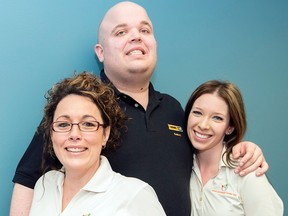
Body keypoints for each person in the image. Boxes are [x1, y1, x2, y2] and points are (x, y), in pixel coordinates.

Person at [10, 2, 269, 216]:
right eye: (121, 32)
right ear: (100, 52)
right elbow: (28, 178)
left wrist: (239, 147)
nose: (136, 36)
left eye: (144, 30)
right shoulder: (83, 110)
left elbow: (204, 157)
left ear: (154, 43)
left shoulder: (174, 109)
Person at [28, 72, 166, 216]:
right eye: (63, 124)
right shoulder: (44, 185)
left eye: (88, 124)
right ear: (51, 133)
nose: (74, 134)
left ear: (105, 134)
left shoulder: (135, 195)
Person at [185, 80, 283, 216]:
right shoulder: (179, 165)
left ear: (230, 127)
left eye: (217, 118)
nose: (203, 125)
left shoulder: (246, 170)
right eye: (197, 113)